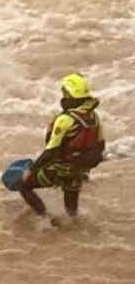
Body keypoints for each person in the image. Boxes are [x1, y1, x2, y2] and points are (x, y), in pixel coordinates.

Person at [19, 73, 105, 220]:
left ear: (69, 95)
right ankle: (74, 227)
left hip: (61, 168)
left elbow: (51, 151)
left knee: (23, 185)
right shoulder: (94, 117)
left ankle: (45, 218)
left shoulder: (65, 119)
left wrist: (31, 170)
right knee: (72, 212)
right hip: (79, 171)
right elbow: (101, 145)